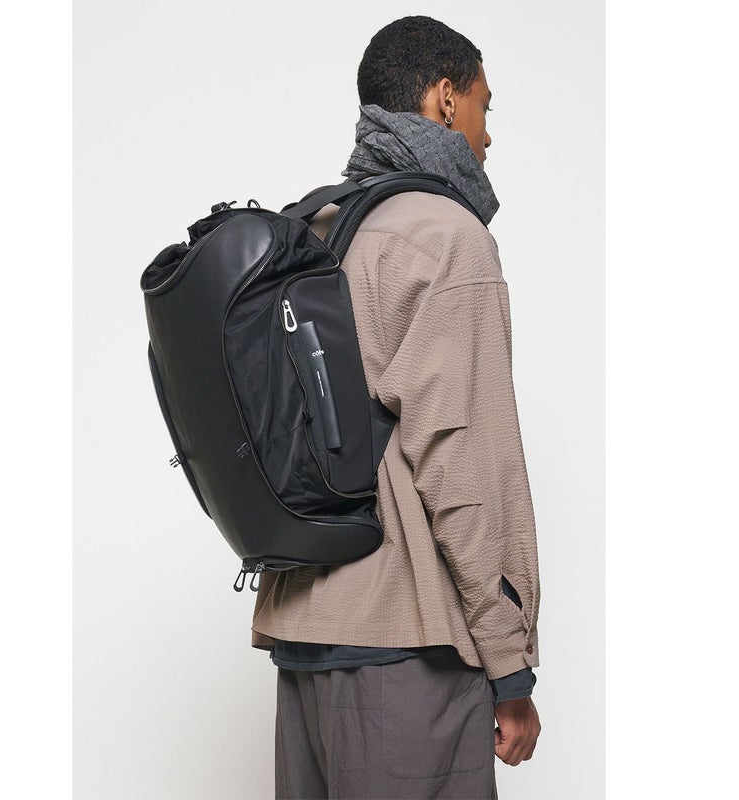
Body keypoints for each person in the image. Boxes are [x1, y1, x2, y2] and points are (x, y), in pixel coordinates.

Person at [251, 15, 542, 799]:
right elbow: (460, 460)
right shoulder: (446, 236)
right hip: (406, 654)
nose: (488, 133)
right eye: (484, 105)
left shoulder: (317, 228)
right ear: (445, 98)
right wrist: (509, 662)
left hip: (305, 635)